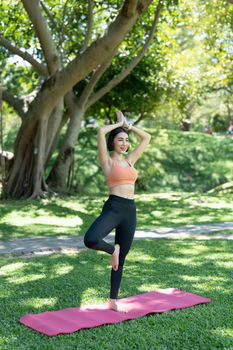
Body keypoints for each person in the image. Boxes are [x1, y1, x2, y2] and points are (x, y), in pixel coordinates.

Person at [84, 110, 151, 312]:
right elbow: (100, 131)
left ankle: (113, 300)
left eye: (126, 140)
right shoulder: (108, 161)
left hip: (130, 210)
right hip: (114, 207)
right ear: (113, 142)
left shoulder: (130, 160)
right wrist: (118, 124)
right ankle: (113, 249)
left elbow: (147, 138)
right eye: (120, 140)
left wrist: (129, 126)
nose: (124, 143)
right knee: (91, 239)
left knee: (121, 261)